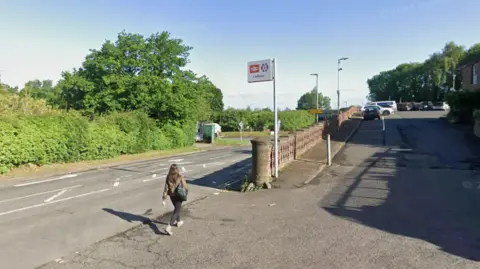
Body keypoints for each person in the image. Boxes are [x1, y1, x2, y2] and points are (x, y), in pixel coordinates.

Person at [162, 164, 188, 235]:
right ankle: (169, 226)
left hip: (172, 196)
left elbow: (166, 188)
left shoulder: (168, 177)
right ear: (177, 169)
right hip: (179, 196)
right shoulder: (180, 177)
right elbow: (185, 187)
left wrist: (164, 199)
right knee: (177, 210)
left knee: (177, 208)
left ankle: (178, 222)